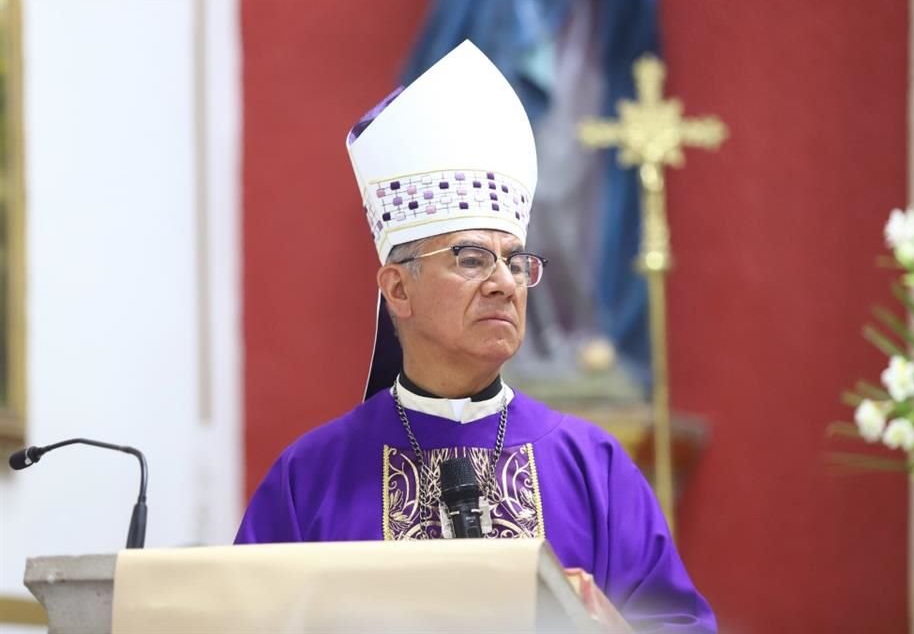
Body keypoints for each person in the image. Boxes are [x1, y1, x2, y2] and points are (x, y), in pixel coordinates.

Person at [235, 40, 716, 632]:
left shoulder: (594, 467)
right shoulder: (310, 479)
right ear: (398, 289)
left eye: (515, 262)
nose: (503, 284)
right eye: (470, 259)